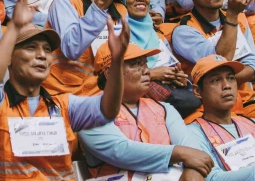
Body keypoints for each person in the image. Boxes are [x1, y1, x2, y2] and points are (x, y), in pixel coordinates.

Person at [0, 0, 128, 180]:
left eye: (47, 50)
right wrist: (16, 26)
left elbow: (108, 109)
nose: (42, 55)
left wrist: (118, 59)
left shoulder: (64, 105)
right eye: (31, 48)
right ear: (9, 57)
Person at [79, 42, 214, 179]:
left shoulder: (164, 108)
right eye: (136, 64)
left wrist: (193, 171)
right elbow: (121, 151)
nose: (146, 71)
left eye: (145, 64)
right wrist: (179, 153)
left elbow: (194, 152)